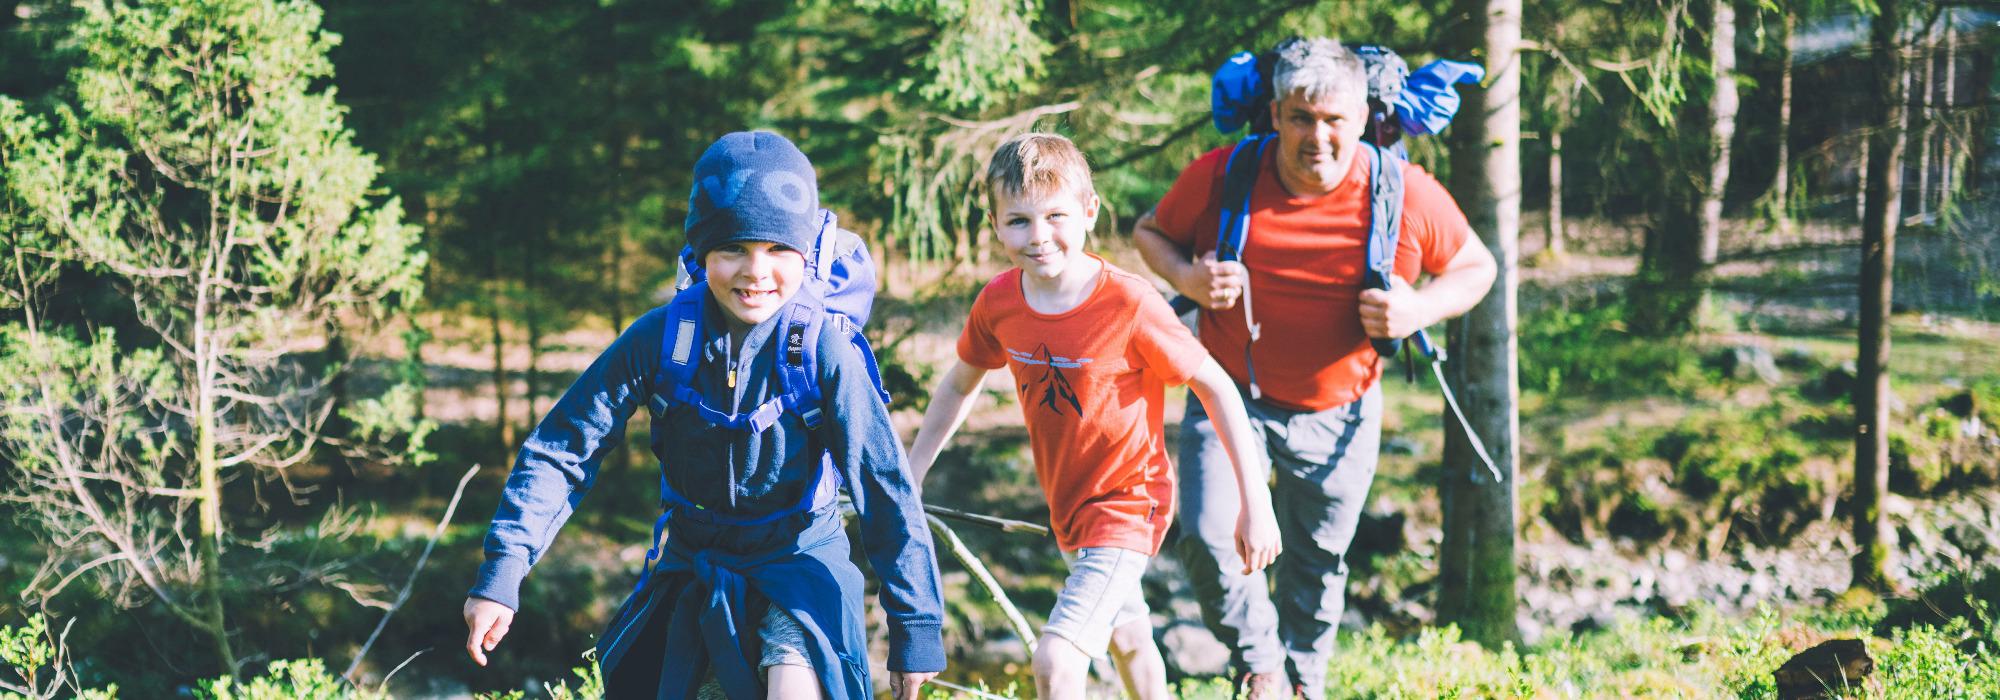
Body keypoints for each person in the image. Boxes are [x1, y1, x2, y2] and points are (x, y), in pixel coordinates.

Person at [462, 131, 946, 700]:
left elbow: (883, 485)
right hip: (693, 561)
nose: (755, 271)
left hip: (799, 561)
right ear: (700, 252)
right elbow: (564, 448)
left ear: (807, 251)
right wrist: (503, 572)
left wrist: (915, 626)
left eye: (777, 249)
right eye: (733, 248)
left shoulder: (820, 349)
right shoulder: (662, 338)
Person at [1131, 38, 1497, 699]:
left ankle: (1302, 683)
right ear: (1274, 114)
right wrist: (1188, 273)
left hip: (1343, 411)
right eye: (1302, 117)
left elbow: (1477, 267)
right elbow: (1148, 232)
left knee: (1317, 562)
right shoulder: (1224, 175)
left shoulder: (1403, 192)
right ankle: (1260, 665)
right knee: (1211, 539)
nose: (1317, 137)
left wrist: (1417, 309)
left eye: (1335, 121)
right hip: (1230, 399)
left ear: (1363, 119)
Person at [907, 133, 1282, 700]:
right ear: (994, 222)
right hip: (1068, 505)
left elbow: (1217, 387)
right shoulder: (1000, 302)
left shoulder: (1128, 304)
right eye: (1018, 221)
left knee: (1057, 661)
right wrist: (910, 474)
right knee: (1127, 638)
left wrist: (1257, 504)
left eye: (1056, 216)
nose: (1039, 237)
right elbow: (960, 382)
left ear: (1089, 211)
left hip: (1130, 503)